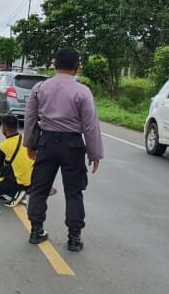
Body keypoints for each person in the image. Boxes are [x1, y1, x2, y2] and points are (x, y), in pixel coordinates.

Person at [24, 48, 103, 252]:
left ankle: (36, 230)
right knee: (74, 192)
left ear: (54, 64)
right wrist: (94, 154)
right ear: (77, 66)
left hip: (46, 143)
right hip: (73, 146)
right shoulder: (82, 91)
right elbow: (90, 125)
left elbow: (30, 120)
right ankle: (74, 238)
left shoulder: (39, 88)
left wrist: (30, 144)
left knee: (39, 189)